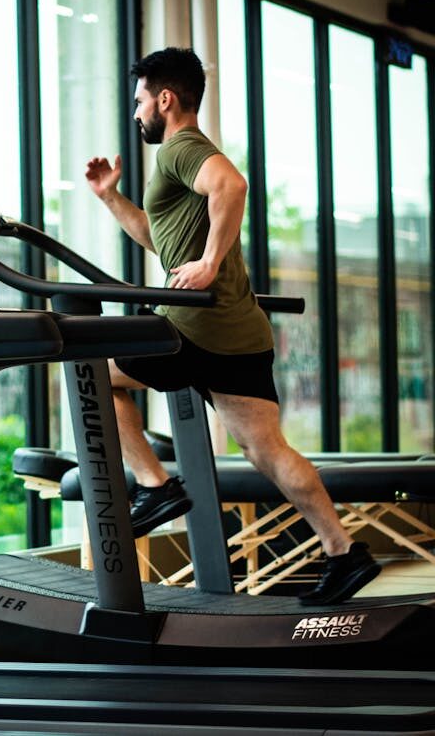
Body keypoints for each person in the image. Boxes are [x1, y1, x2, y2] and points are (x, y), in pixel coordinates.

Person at [84, 47, 380, 606]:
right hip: (240, 331)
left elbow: (233, 187)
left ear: (164, 99)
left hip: (193, 326)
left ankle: (155, 487)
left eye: (140, 101)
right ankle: (343, 552)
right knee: (268, 451)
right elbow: (160, 238)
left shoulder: (182, 149)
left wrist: (210, 264)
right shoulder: (182, 159)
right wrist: (111, 198)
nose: (137, 113)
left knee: (91, 371)